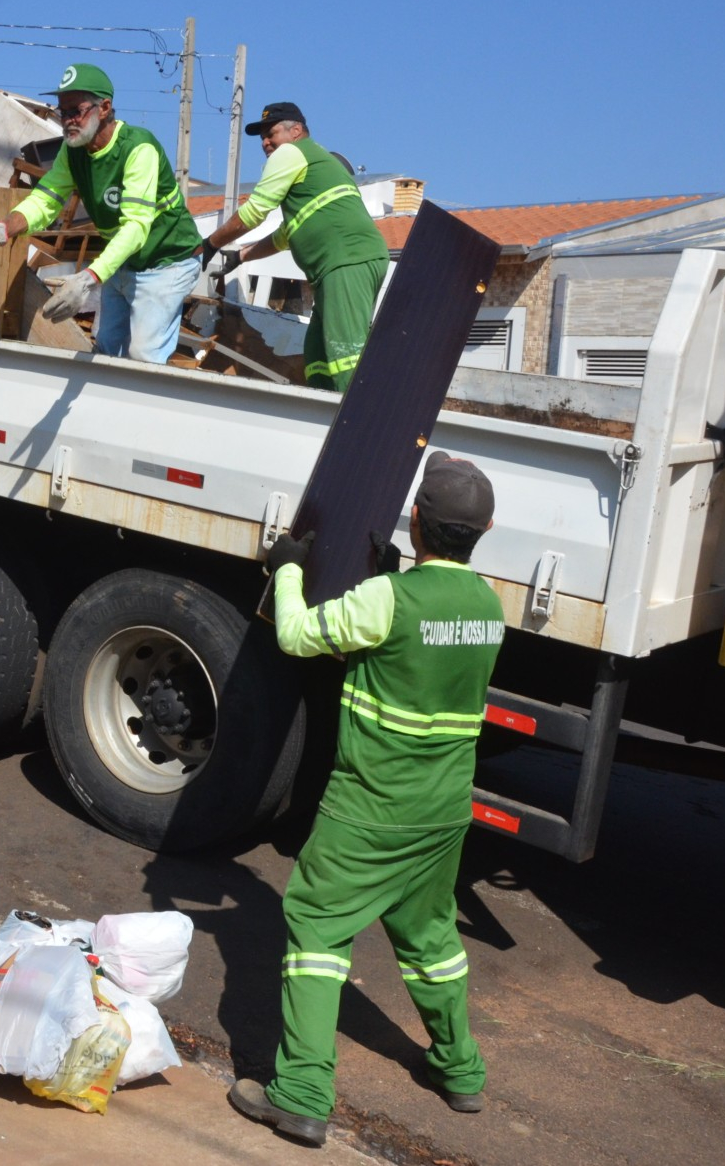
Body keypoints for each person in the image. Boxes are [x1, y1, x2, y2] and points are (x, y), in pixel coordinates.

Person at [230, 452, 504, 1148]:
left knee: (317, 927)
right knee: (431, 936)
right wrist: (392, 579)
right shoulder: (488, 605)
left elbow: (297, 635)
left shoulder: (386, 602)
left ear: (416, 523)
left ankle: (300, 1094)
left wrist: (287, 570)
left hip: (371, 809)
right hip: (443, 811)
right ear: (485, 530)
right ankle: (460, 1070)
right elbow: (422, 653)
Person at [0, 63, 203, 364]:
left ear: (104, 108)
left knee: (144, 357)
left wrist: (88, 278)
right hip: (126, 262)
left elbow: (136, 227)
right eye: (63, 111)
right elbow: (45, 200)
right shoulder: (73, 153)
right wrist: (2, 229)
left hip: (168, 261)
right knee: (106, 352)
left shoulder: (138, 148)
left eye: (76, 111)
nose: (68, 120)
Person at [199, 103, 389, 391]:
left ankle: (359, 415)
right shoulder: (313, 170)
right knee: (317, 356)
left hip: (346, 261)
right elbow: (284, 235)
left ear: (296, 131)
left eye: (271, 133)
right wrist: (241, 256)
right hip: (345, 264)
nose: (265, 142)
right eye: (262, 137)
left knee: (345, 356)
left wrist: (210, 244)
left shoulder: (291, 153)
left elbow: (254, 212)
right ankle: (322, 408)